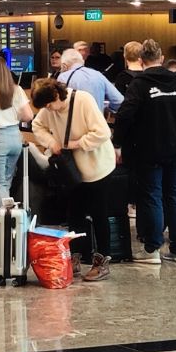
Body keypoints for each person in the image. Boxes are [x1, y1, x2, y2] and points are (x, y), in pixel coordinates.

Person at [26, 78, 113, 282]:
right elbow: (37, 125)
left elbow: (102, 132)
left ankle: (102, 262)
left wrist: (76, 143)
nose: (49, 110)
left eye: (49, 105)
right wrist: (51, 142)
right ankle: (74, 258)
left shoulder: (83, 101)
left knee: (99, 214)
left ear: (56, 95)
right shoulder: (50, 109)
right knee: (74, 215)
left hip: (97, 166)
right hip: (73, 171)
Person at [115, 40, 176, 264]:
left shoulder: (140, 83)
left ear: (141, 60)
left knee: (151, 195)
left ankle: (152, 249)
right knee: (174, 194)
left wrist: (118, 143)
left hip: (149, 149)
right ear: (161, 58)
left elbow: (125, 114)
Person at [0, 59, 34, 233]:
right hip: (15, 138)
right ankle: (8, 221)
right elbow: (28, 116)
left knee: (0, 184)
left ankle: (2, 225)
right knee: (7, 182)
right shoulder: (17, 90)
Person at [58, 47, 122, 116]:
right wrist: (104, 108)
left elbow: (58, 104)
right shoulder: (98, 75)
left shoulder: (63, 77)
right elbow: (119, 101)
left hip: (73, 123)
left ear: (64, 65)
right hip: (97, 123)